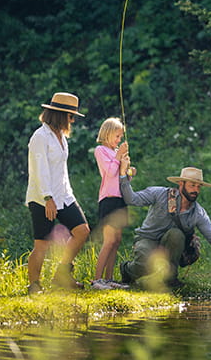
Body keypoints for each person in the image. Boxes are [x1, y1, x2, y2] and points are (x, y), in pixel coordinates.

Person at [118, 162, 211, 289]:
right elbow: (131, 199)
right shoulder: (159, 194)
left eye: (199, 187)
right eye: (192, 185)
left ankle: (170, 279)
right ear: (181, 184)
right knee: (145, 265)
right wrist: (123, 177)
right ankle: (126, 270)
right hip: (148, 239)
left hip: (171, 245)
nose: (196, 190)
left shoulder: (197, 212)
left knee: (176, 235)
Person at [25, 92, 90, 294]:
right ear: (61, 115)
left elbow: (60, 171)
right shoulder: (40, 137)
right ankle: (34, 286)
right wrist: (48, 198)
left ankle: (62, 275)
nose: (72, 120)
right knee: (42, 244)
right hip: (43, 198)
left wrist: (64, 196)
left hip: (64, 195)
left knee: (82, 231)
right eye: (71, 116)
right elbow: (39, 170)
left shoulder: (61, 137)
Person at [91, 117, 130, 290]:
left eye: (121, 137)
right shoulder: (100, 151)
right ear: (107, 134)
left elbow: (122, 176)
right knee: (109, 240)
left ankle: (109, 279)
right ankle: (97, 280)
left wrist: (129, 170)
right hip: (108, 200)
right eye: (117, 136)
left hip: (120, 199)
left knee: (117, 240)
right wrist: (119, 155)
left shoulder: (116, 152)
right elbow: (111, 171)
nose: (119, 140)